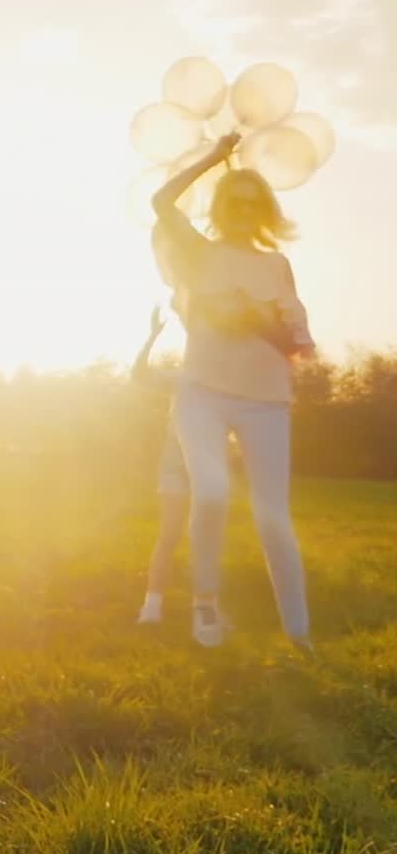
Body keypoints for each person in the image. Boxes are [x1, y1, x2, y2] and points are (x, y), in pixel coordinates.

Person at [151, 132, 315, 650]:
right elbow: (161, 202)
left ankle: (300, 636)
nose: (243, 210)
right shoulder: (200, 254)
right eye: (234, 202)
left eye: (252, 203)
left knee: (274, 519)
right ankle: (205, 607)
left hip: (266, 400)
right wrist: (214, 158)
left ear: (264, 210)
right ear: (221, 208)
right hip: (202, 393)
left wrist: (257, 319)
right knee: (212, 491)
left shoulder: (277, 265)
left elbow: (295, 342)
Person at [131, 304, 188, 626]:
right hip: (176, 470)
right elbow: (139, 375)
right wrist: (152, 336)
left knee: (207, 540)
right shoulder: (182, 379)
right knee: (170, 535)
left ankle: (208, 610)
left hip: (209, 472)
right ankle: (151, 608)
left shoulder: (229, 384)